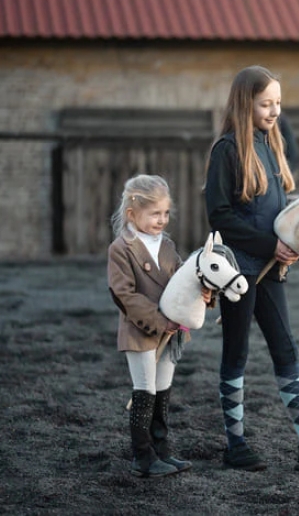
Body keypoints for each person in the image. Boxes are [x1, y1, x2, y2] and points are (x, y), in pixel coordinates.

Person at [203, 65, 299, 472]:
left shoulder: (271, 146)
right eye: (266, 104)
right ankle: (235, 445)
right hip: (237, 271)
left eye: (278, 103)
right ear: (245, 103)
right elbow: (219, 215)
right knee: (236, 353)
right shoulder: (226, 151)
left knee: (285, 348)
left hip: (271, 270)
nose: (274, 111)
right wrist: (270, 243)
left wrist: (296, 238)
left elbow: (278, 209)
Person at [107, 174, 208, 478]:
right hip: (141, 332)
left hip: (171, 333)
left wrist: (204, 293)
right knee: (145, 389)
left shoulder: (167, 246)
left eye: (165, 213)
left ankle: (161, 450)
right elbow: (124, 295)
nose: (162, 220)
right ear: (132, 214)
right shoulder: (121, 249)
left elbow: (181, 282)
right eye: (155, 214)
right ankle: (142, 456)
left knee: (163, 390)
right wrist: (158, 320)